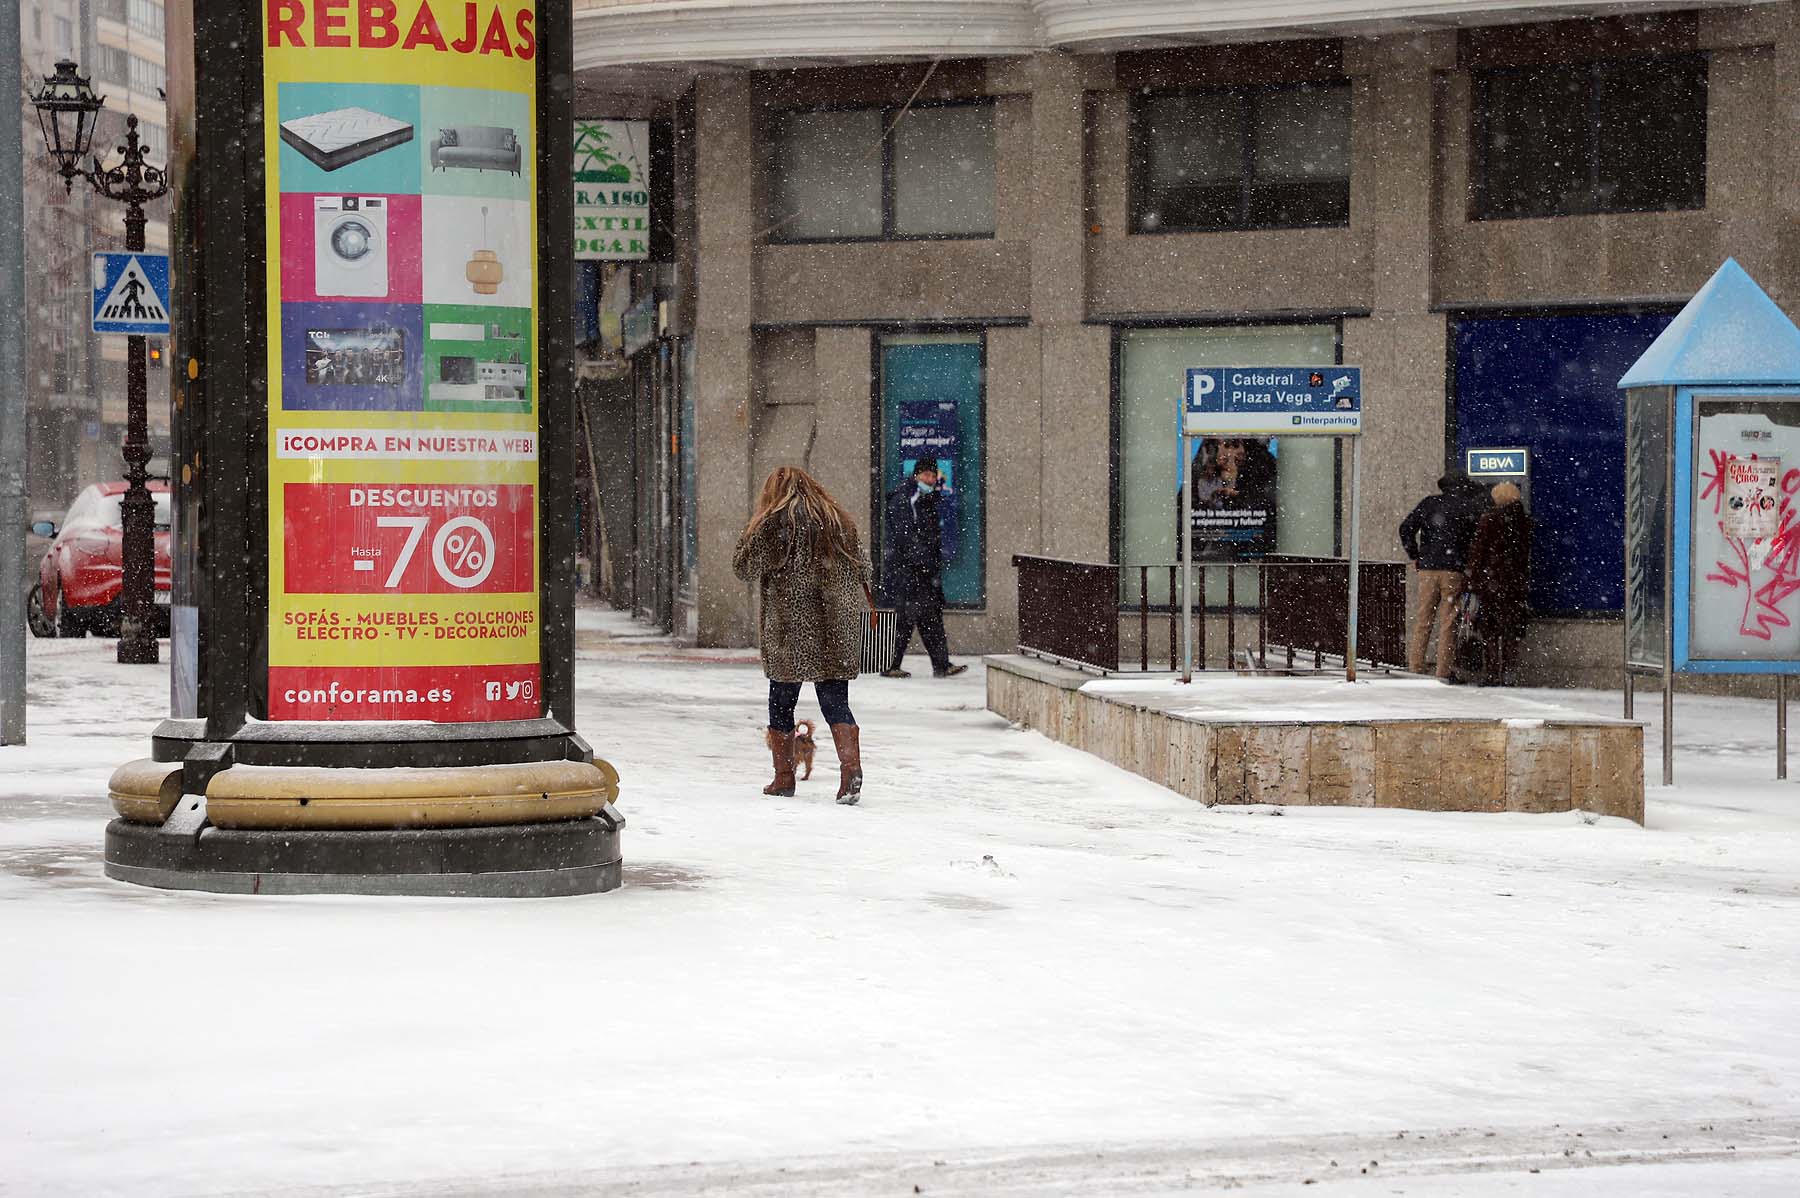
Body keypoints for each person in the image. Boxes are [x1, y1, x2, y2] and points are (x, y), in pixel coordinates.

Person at [733, 466, 873, 804]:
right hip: (834, 630)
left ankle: (784, 778)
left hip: (789, 630)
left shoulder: (776, 523)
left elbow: (744, 567)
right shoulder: (840, 522)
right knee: (836, 702)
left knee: (781, 702)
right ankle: (850, 771)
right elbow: (864, 569)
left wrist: (750, 531)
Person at [881, 458, 967, 679]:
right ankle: (892, 665)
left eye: (932, 476)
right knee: (907, 618)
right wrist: (922, 561)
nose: (930, 480)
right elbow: (905, 537)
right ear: (916, 475)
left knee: (930, 617)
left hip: (924, 571)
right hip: (909, 571)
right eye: (925, 475)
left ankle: (940, 664)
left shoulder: (928, 500)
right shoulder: (906, 499)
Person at [1398, 473, 1485, 679]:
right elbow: (1475, 542)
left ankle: (1416, 666)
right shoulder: (1468, 507)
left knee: (1423, 619)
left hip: (1428, 569)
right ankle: (1443, 671)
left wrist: (1416, 554)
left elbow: (1405, 528)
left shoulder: (1429, 503)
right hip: (1453, 571)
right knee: (1449, 622)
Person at [1466, 482, 1533, 686]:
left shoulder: (1489, 520)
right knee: (1511, 631)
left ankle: (1492, 673)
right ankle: (1510, 673)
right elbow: (1523, 554)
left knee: (1491, 631)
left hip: (1492, 583)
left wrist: (1472, 578)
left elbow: (1478, 553)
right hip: (1515, 584)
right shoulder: (1525, 521)